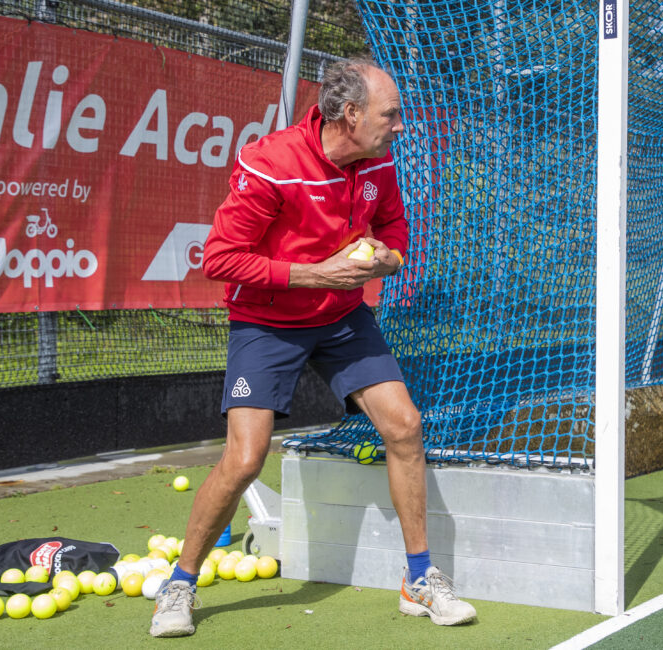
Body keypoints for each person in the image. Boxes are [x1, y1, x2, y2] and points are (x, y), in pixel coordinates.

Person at [149, 58, 477, 637]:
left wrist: (388, 256)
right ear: (350, 115)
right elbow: (221, 260)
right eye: (390, 115)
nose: (400, 126)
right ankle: (181, 582)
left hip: (344, 318)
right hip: (266, 322)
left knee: (404, 426)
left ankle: (419, 579)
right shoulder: (270, 162)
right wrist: (313, 275)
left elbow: (395, 225)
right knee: (246, 458)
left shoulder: (376, 161)